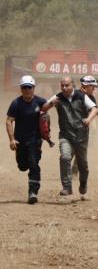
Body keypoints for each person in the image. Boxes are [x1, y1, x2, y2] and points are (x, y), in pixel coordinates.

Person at [42, 76, 98, 199]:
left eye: (67, 85)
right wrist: (52, 104)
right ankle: (67, 187)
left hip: (81, 135)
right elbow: (44, 108)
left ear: (73, 85)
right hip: (65, 135)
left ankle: (83, 183)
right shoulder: (58, 97)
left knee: (82, 164)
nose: (64, 88)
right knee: (65, 157)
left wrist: (88, 119)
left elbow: (94, 108)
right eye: (62, 85)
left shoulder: (81, 96)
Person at [6, 76, 47, 204]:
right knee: (23, 166)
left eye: (29, 87)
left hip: (35, 140)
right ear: (21, 88)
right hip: (20, 141)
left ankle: (33, 192)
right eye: (24, 87)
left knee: (34, 164)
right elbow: (9, 120)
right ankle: (27, 164)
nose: (27, 90)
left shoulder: (40, 102)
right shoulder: (16, 103)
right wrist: (12, 139)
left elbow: (48, 109)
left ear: (34, 88)